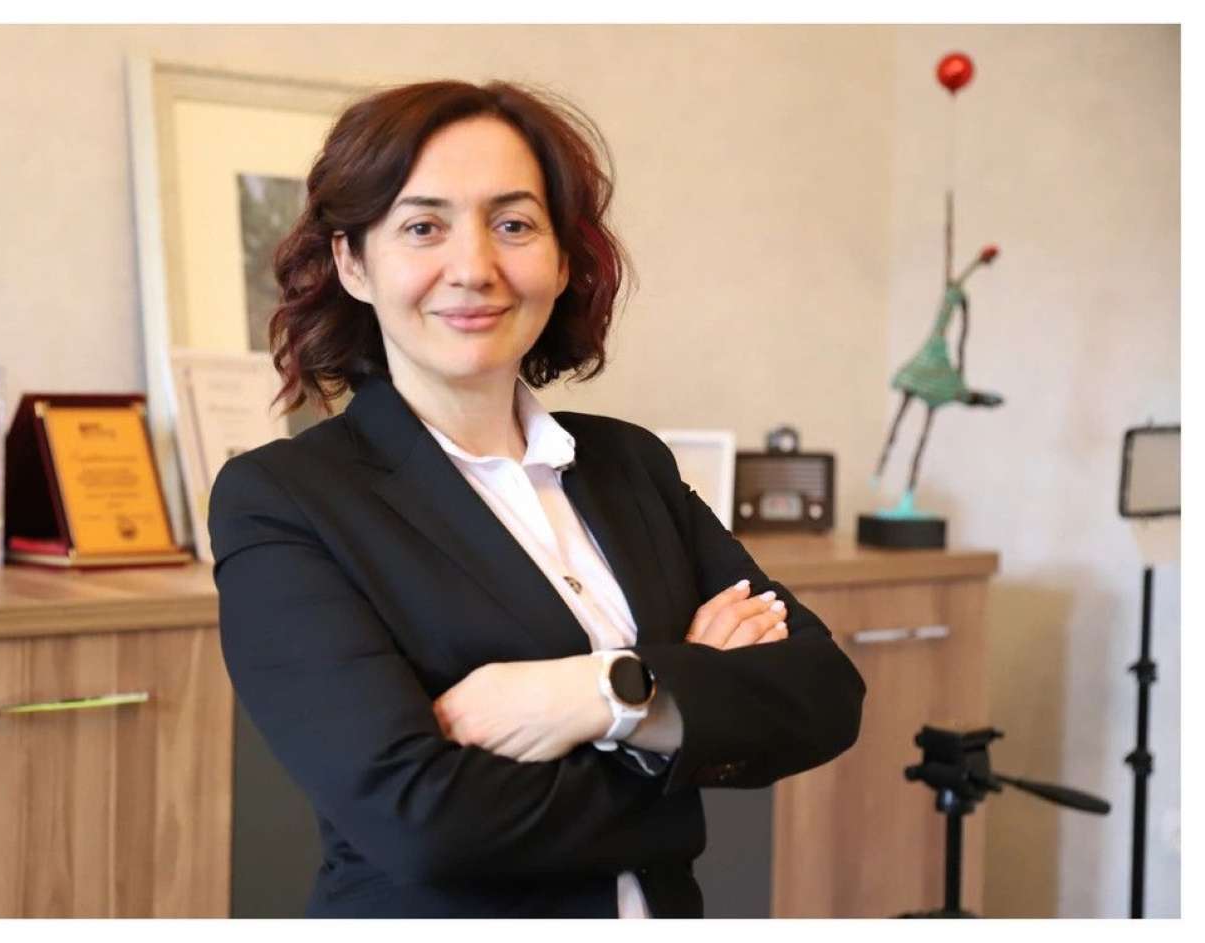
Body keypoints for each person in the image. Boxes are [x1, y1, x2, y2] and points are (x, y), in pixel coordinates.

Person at [208, 79, 866, 919]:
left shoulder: (629, 465)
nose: (474, 268)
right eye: (423, 227)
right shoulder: (285, 499)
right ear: (353, 262)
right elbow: (424, 822)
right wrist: (672, 731)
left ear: (561, 260)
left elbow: (822, 694)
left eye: (514, 224)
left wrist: (596, 695)